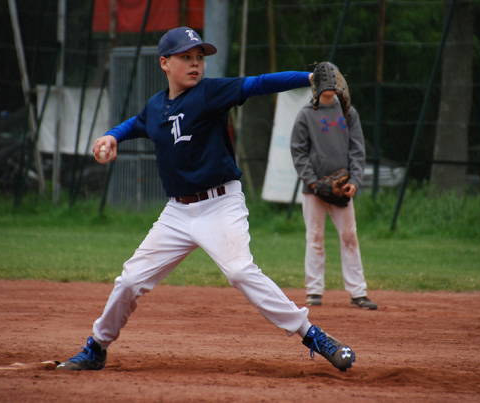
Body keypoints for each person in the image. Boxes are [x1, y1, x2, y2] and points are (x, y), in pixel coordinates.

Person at [56, 27, 355, 372]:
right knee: (130, 281)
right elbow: (137, 124)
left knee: (240, 271)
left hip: (220, 205)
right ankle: (96, 348)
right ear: (165, 63)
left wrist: (307, 77)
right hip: (177, 214)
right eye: (186, 57)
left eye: (199, 57)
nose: (195, 63)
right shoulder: (156, 106)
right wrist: (110, 137)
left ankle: (312, 335)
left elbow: (258, 83)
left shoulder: (210, 93)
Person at [290, 75, 378, 310]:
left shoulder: (348, 113)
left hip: (343, 187)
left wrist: (355, 181)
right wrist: (314, 182)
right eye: (324, 82)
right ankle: (314, 290)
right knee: (315, 237)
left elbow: (357, 150)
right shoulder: (306, 115)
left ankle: (358, 292)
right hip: (313, 190)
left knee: (349, 236)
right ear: (315, 87)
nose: (329, 87)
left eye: (333, 81)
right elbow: (298, 153)